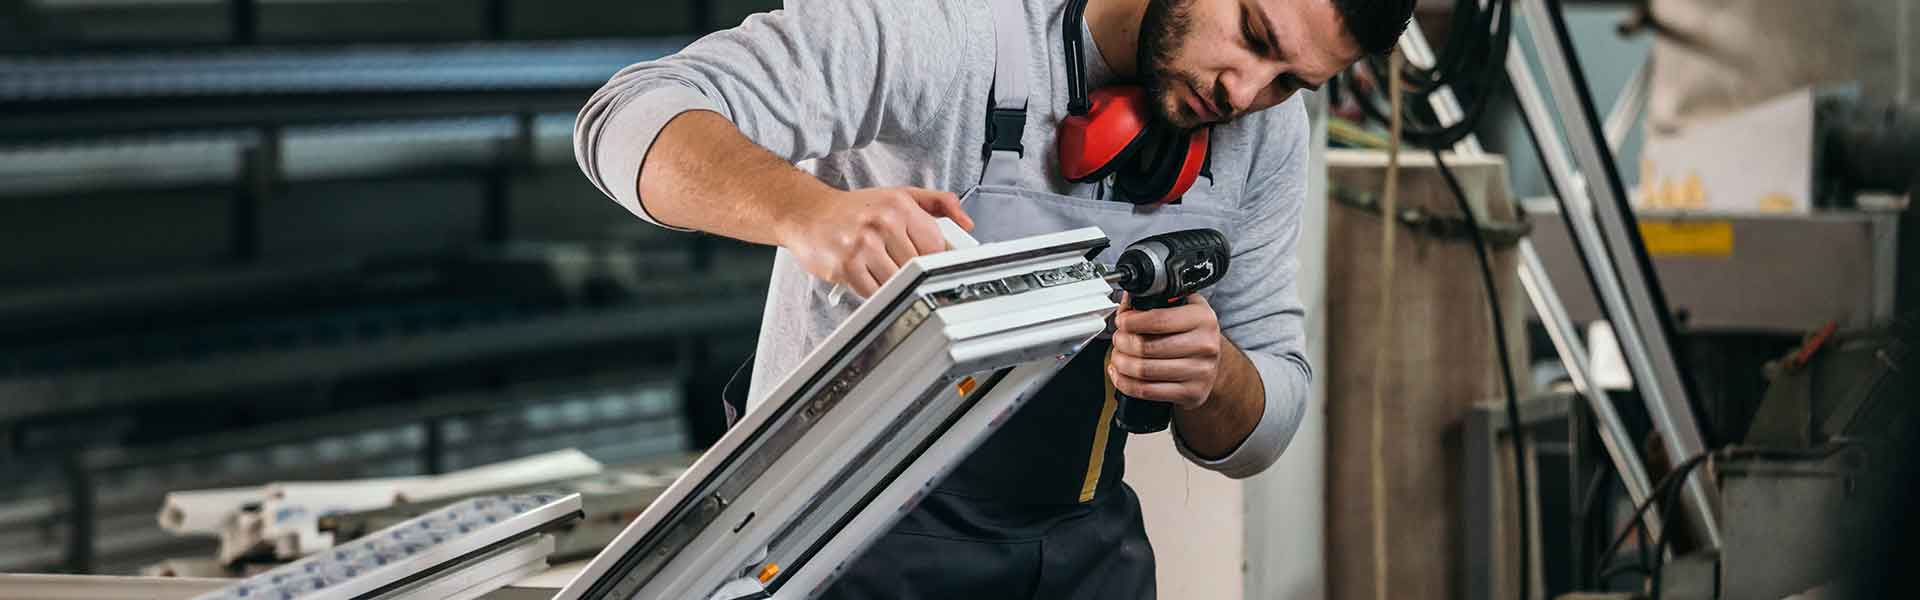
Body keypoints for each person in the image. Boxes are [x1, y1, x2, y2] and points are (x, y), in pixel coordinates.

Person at [574, 0, 1411, 597]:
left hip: (1076, 552)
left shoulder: (1262, 135)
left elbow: (1271, 415)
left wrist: (1219, 376)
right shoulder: (949, 29)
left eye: (1288, 80)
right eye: (1254, 35)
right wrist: (809, 213)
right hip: (834, 545)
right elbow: (625, 117)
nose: (1244, 91)